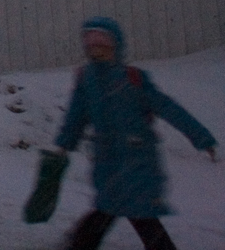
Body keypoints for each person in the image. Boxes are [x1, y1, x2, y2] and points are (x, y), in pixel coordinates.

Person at [49, 17, 217, 250]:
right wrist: (64, 144)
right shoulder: (86, 80)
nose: (98, 52)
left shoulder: (134, 79)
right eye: (92, 47)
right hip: (107, 161)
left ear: (116, 47)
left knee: (131, 212)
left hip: (138, 160)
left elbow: (170, 109)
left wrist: (201, 137)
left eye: (104, 47)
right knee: (112, 209)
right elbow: (75, 118)